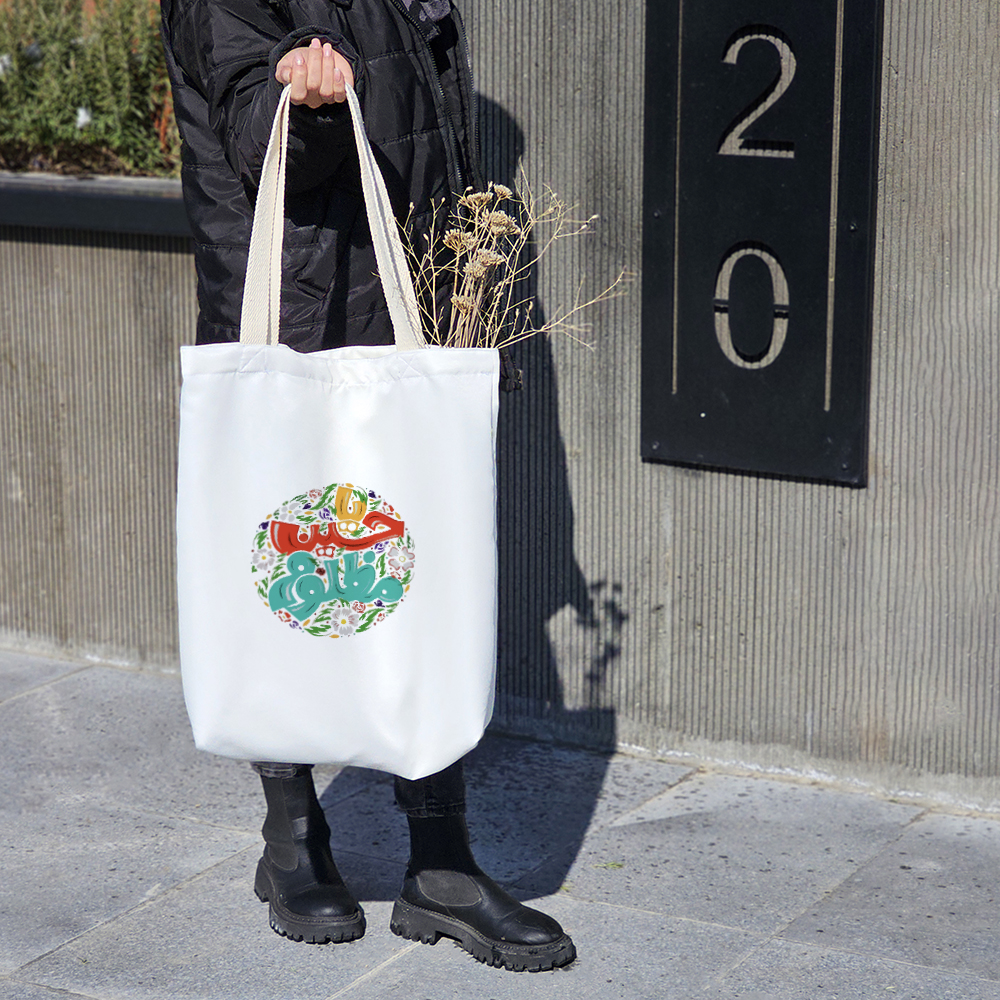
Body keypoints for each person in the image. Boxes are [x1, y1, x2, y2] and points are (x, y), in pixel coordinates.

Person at [159, 0, 574, 973]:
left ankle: (442, 861)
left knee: (416, 573)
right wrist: (301, 106)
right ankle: (293, 837)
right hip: (298, 302)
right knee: (291, 572)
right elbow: (254, 135)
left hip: (400, 299)